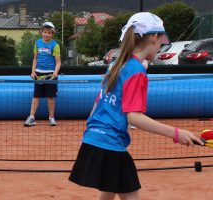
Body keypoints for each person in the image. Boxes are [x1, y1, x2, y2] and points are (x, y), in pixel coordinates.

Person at [69, 12, 203, 200]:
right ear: (154, 38)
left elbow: (98, 102)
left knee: (109, 189)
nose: (160, 46)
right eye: (160, 42)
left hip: (92, 138)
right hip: (110, 143)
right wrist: (176, 133)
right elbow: (134, 117)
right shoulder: (136, 71)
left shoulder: (117, 64)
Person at [24, 22, 61, 126]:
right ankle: (31, 118)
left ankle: (51, 118)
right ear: (41, 32)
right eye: (45, 32)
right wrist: (32, 71)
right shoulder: (37, 43)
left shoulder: (55, 45)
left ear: (52, 34)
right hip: (38, 74)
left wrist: (55, 72)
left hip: (51, 74)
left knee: (50, 97)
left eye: (49, 33)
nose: (46, 34)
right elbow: (35, 59)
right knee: (36, 96)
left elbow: (58, 62)